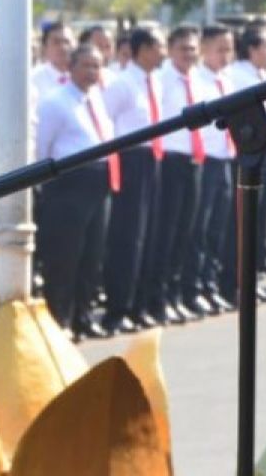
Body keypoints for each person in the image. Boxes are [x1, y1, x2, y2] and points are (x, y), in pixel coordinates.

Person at [34, 44, 115, 338]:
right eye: (87, 66)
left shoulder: (96, 98)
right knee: (64, 256)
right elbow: (42, 146)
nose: (93, 72)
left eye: (97, 66)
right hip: (69, 184)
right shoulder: (55, 102)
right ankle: (60, 319)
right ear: (71, 68)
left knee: (92, 255)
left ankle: (83, 315)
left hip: (99, 181)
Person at [101, 26, 165, 334]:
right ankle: (118, 308)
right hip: (130, 159)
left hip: (153, 157)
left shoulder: (155, 82)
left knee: (150, 234)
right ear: (143, 50)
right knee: (129, 237)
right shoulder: (122, 84)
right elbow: (106, 122)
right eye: (159, 46)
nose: (163, 52)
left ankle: (140, 305)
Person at [147, 25, 205, 325]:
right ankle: (158, 300)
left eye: (193, 49)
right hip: (169, 160)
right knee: (166, 233)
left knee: (186, 232)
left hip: (194, 160)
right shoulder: (161, 80)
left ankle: (176, 295)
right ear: (170, 50)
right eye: (183, 49)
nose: (189, 55)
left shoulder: (197, 78)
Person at [227, 21, 266, 302]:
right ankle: (239, 282)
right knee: (245, 220)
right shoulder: (237, 76)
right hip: (248, 155)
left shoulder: (261, 73)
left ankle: (255, 277)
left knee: (261, 219)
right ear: (251, 49)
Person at [192, 25, 239, 307]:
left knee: (218, 228)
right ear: (204, 49)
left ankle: (211, 286)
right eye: (220, 49)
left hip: (225, 158)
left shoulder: (228, 80)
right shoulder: (196, 81)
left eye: (229, 49)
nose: (225, 55)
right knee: (200, 227)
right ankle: (194, 287)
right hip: (204, 159)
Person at [31, 21, 75, 99]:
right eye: (56, 42)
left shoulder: (83, 77)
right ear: (45, 48)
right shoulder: (33, 79)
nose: (63, 47)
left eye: (67, 42)